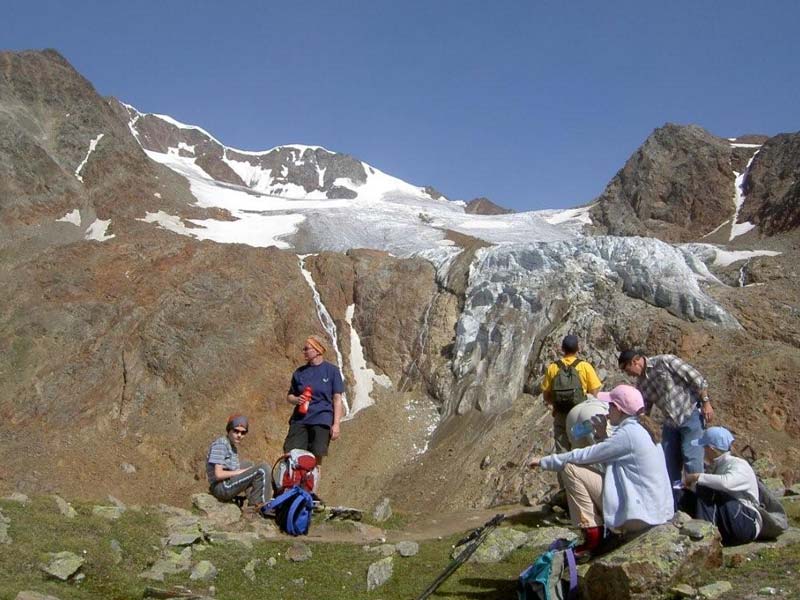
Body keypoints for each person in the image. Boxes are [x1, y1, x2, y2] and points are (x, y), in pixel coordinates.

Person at [529, 384, 674, 556]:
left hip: (641, 515)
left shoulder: (628, 434)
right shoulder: (641, 429)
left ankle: (592, 535)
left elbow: (587, 455)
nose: (607, 409)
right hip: (656, 510)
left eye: (610, 405)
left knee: (571, 469)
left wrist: (544, 461)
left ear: (618, 409)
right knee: (580, 470)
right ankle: (599, 531)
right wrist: (601, 435)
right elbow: (614, 458)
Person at [618, 350, 713, 500]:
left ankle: (701, 505)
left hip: (691, 415)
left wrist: (706, 402)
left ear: (634, 362)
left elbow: (697, 379)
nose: (627, 374)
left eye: (626, 369)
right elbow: (644, 409)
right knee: (669, 465)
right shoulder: (641, 384)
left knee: (692, 462)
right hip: (670, 423)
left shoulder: (665, 362)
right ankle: (676, 502)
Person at [682, 427, 761, 546]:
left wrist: (697, 477)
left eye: (704, 447)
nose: (703, 451)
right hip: (732, 523)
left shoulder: (738, 464)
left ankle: (706, 537)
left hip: (747, 524)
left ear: (711, 449)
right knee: (688, 494)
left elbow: (726, 483)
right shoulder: (717, 466)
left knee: (707, 489)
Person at [283, 335, 344, 474]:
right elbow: (290, 395)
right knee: (291, 454)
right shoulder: (299, 373)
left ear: (317, 350)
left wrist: (336, 424)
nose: (303, 351)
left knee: (315, 458)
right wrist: (296, 400)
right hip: (300, 419)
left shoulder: (332, 371)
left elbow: (337, 398)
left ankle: (311, 490)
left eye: (306, 349)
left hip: (322, 419)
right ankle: (291, 487)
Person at [541, 335, 603, 454]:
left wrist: (556, 406)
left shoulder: (553, 368)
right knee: (583, 449)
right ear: (577, 349)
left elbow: (546, 395)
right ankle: (580, 470)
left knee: (562, 450)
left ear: (562, 349)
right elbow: (595, 391)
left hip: (561, 415)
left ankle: (564, 470)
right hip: (580, 415)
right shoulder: (585, 366)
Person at [206, 414, 269, 513]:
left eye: (243, 433)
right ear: (229, 430)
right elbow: (218, 475)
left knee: (249, 464)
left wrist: (244, 471)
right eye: (236, 431)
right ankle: (263, 506)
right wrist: (241, 472)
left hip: (226, 483)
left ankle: (253, 502)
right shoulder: (221, 444)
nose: (239, 435)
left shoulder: (232, 446)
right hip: (221, 487)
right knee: (262, 468)